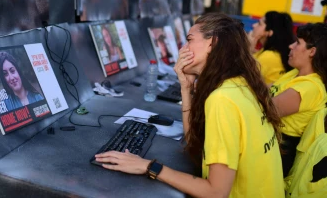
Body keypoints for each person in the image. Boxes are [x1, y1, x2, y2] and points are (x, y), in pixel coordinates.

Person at [95, 13, 284, 197]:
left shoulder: (223, 99)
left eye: (189, 40)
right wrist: (186, 88)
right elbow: (194, 139)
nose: (183, 49)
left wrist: (148, 166)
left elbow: (216, 192)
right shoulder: (239, 84)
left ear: (213, 43)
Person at [270, 23, 327, 177]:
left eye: (297, 42)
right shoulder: (296, 73)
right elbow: (263, 89)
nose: (291, 46)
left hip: (278, 152)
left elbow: (267, 108)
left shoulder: (311, 87)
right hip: (270, 143)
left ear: (312, 51)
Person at [249, 11, 294, 84]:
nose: (254, 25)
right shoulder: (273, 53)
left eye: (259, 23)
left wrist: (248, 50)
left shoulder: (268, 56)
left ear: (269, 32)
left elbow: (243, 78)